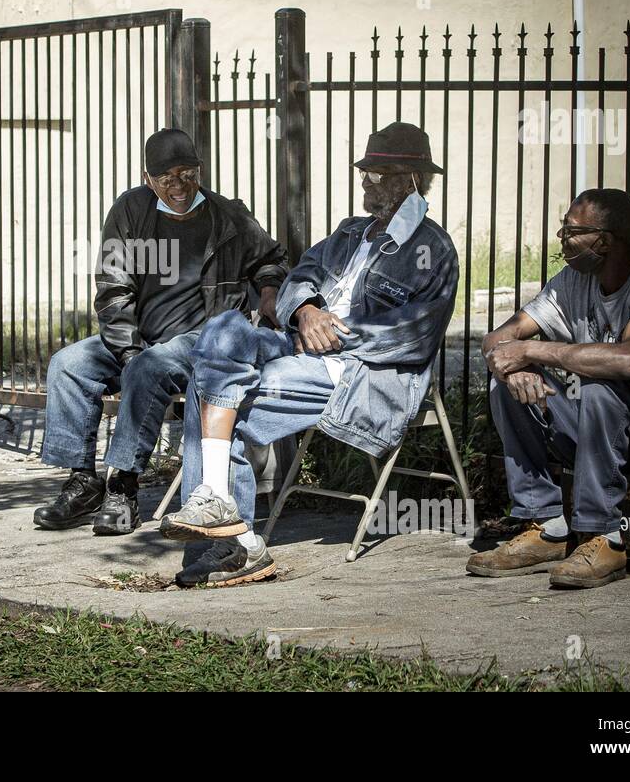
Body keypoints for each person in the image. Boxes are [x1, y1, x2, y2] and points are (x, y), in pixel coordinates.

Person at [160, 122, 458, 587]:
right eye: (365, 172)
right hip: (300, 347)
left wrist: (333, 333)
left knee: (216, 401)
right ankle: (220, 506)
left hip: (358, 369)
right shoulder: (349, 232)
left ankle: (236, 547)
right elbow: (298, 278)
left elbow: (415, 335)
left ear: (411, 181)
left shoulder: (433, 250)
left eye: (378, 175)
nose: (365, 182)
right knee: (222, 331)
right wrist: (305, 311)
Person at [34, 128, 288, 535]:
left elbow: (271, 258)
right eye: (165, 177)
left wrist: (271, 292)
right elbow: (113, 291)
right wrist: (129, 354)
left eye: (186, 174)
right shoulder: (131, 211)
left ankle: (124, 488)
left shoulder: (228, 215)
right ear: (147, 178)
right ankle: (83, 482)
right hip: (139, 335)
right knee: (68, 364)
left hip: (203, 340)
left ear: (199, 171)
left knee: (149, 367)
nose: (178, 185)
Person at [467, 188, 630, 588]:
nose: (562, 239)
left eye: (571, 231)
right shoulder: (573, 281)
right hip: (602, 427)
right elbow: (498, 339)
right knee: (503, 387)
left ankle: (604, 537)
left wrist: (534, 350)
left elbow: (628, 360)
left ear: (604, 240)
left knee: (600, 386)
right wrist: (514, 370)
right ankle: (547, 527)